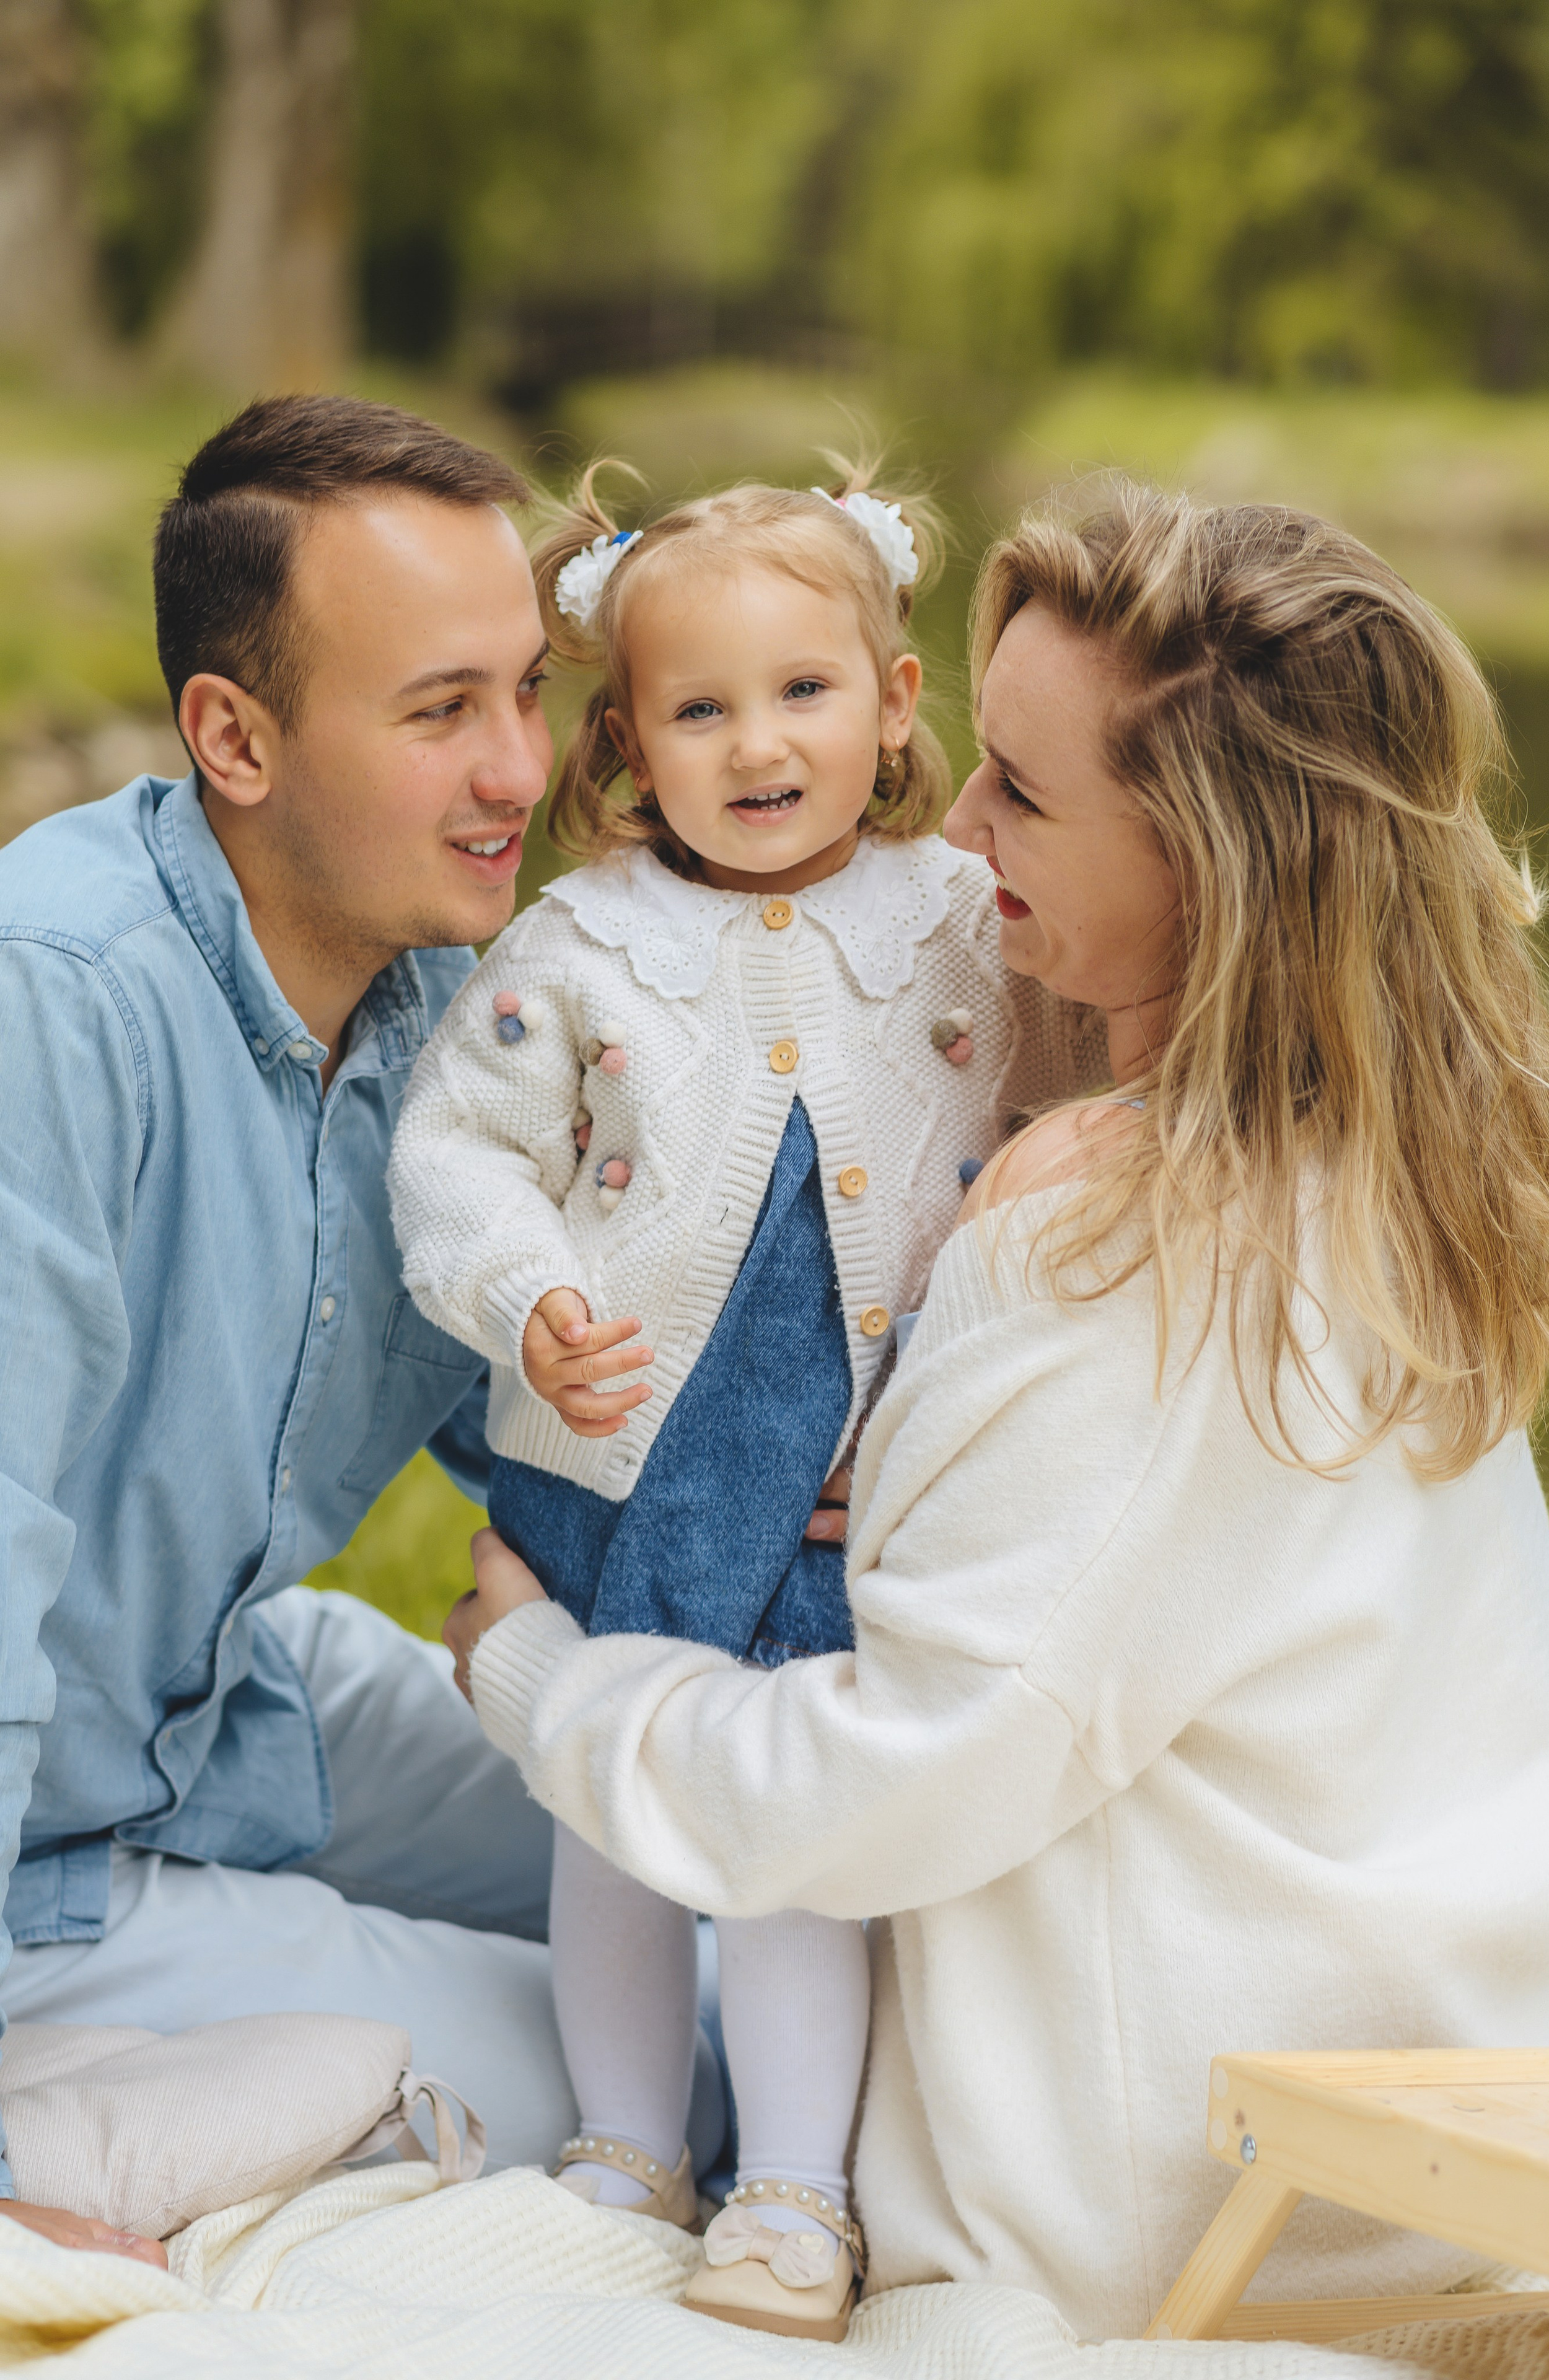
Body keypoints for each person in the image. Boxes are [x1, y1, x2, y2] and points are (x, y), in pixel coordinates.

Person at [442, 481, 1549, 2341]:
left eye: (1025, 798)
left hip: (1198, 2197)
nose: (957, 833)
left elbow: (895, 1772)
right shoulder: (1384, 1156)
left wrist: (533, 1665)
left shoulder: (1120, 1239)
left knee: (404, 1971)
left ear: (1216, 862)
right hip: (1480, 2039)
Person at [0, 393, 722, 2266]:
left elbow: (575, 1420)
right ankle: (58, 2128)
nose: (516, 771)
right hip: (37, 1860)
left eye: (520, 690)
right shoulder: (53, 1008)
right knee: (686, 2082)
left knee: (741, 1878)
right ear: (232, 736)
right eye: (436, 712)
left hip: (230, 1702)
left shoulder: (449, 1021)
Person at [388, 463, 1106, 2339]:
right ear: (627, 745)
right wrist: (531, 1291)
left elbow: (1064, 1107)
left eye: (802, 692)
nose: (757, 743)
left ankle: (795, 2178)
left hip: (844, 1468)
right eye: (699, 709)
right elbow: (459, 1152)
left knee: (799, 1816)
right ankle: (629, 2141)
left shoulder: (963, 912)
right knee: (609, 1801)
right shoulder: (583, 944)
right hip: (632, 1448)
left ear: (891, 704)